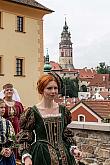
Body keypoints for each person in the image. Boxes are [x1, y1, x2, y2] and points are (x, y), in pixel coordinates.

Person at [17, 72, 82, 165]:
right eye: (49, 88)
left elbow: (65, 134)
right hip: (41, 156)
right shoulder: (33, 112)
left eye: (55, 88)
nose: (53, 91)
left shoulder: (63, 110)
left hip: (64, 156)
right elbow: (25, 137)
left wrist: (74, 149)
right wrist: (26, 156)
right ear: (42, 90)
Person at [2, 83, 24, 160]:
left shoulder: (18, 104)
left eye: (11, 90)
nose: (9, 91)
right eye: (7, 90)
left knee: (16, 143)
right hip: (5, 128)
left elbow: (22, 117)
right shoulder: (1, 104)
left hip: (17, 128)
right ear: (4, 92)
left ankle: (17, 160)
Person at [0, 98, 16, 165]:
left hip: (7, 155)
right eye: (1, 107)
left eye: (4, 107)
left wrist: (9, 149)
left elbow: (12, 138)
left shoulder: (7, 122)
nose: (3, 109)